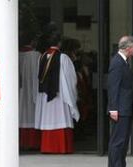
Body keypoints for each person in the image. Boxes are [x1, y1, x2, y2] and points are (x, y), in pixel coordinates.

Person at [35, 25, 79, 154]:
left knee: (48, 118)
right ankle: (62, 147)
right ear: (59, 43)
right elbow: (71, 78)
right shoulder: (64, 58)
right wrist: (73, 94)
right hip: (60, 96)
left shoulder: (42, 57)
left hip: (45, 96)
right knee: (61, 118)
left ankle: (47, 147)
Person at [107, 35, 133, 167]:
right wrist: (113, 108)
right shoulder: (117, 62)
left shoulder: (123, 61)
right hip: (120, 109)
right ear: (128, 48)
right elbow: (113, 86)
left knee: (123, 142)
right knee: (118, 142)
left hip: (124, 108)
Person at [18, 32, 42, 150]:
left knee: (21, 114)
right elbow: (36, 76)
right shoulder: (35, 55)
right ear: (32, 42)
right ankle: (32, 143)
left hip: (20, 92)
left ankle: (21, 143)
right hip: (31, 89)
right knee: (30, 115)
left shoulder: (16, 54)